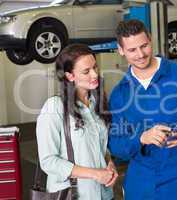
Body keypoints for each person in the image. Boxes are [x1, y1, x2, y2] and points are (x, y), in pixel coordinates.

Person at [108, 19, 177, 200]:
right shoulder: (120, 94)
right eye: (132, 50)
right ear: (120, 50)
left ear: (150, 40)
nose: (140, 54)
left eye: (144, 46)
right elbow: (115, 143)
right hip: (141, 178)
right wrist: (141, 138)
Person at [36, 44, 118, 200]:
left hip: (104, 194)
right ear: (70, 76)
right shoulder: (55, 107)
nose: (94, 74)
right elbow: (48, 161)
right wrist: (95, 174)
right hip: (74, 195)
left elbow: (100, 147)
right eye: (86, 71)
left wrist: (109, 163)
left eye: (95, 67)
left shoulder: (97, 103)